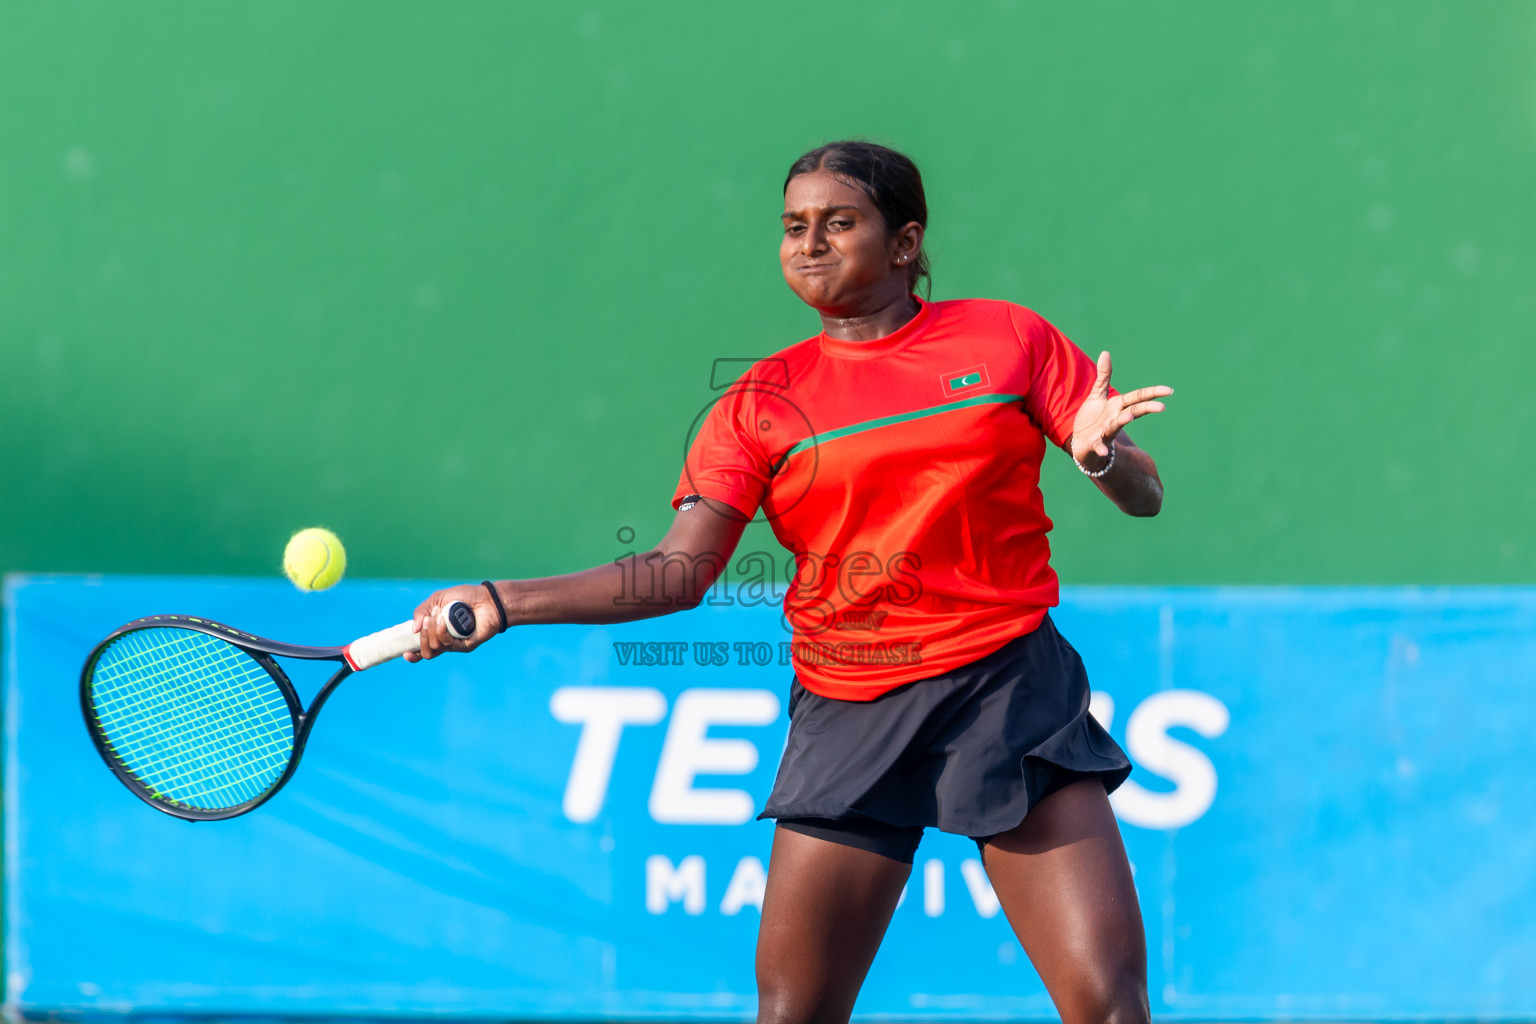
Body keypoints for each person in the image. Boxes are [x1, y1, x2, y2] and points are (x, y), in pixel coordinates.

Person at [407, 140, 1171, 1024]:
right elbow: (677, 572)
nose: (810, 244)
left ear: (905, 242)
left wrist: (1101, 456)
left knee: (1111, 1006)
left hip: (1006, 686)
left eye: (838, 223)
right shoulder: (761, 402)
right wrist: (507, 602)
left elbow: (1144, 496)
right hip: (851, 702)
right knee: (795, 1013)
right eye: (793, 226)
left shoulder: (1005, 337)